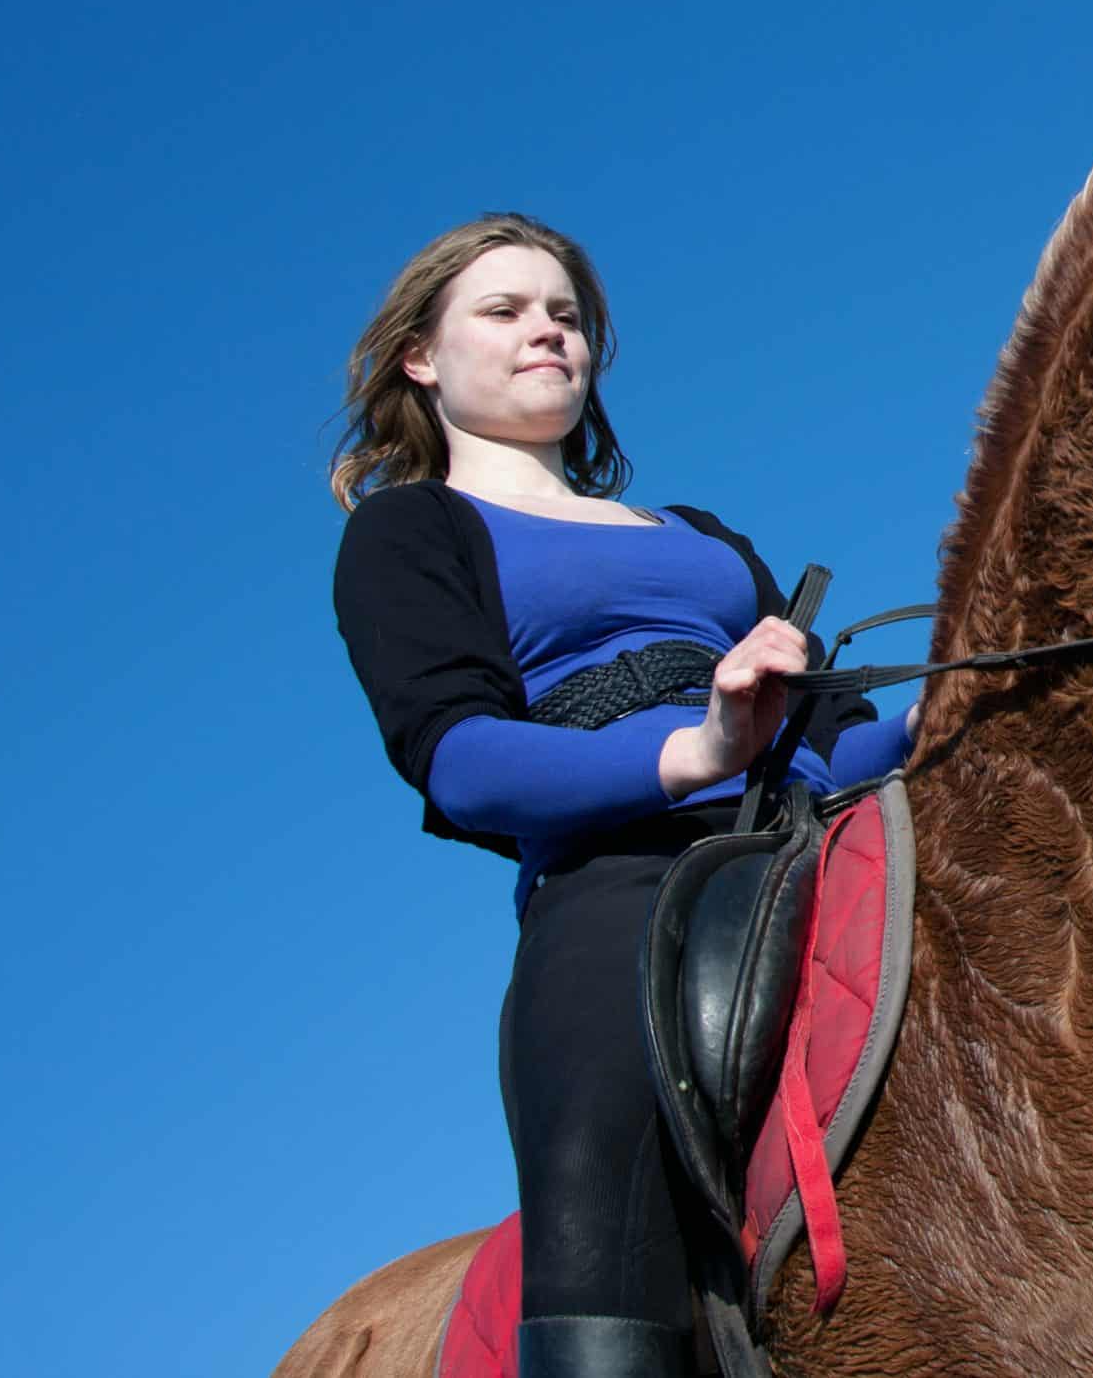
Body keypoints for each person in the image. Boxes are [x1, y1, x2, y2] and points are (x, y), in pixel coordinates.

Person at [329, 214, 914, 1378]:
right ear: (423, 359)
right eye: (503, 311)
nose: (547, 329)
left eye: (563, 312)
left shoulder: (701, 536)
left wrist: (956, 715)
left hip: (821, 830)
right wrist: (696, 751)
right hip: (625, 879)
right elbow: (461, 758)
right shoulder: (413, 528)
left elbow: (836, 738)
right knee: (601, 1183)